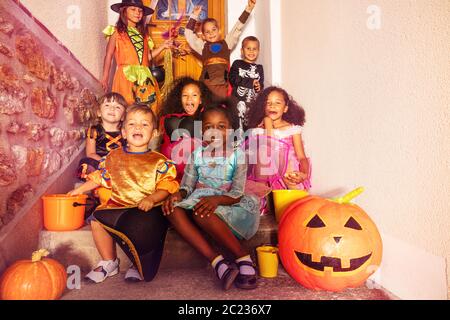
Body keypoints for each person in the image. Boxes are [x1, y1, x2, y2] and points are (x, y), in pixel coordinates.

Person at [68, 104, 179, 283]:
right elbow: (99, 177)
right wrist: (79, 190)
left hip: (144, 210)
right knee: (96, 220)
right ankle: (109, 262)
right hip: (117, 207)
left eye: (145, 124)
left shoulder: (159, 161)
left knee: (142, 229)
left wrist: (152, 198)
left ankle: (138, 263)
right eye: (132, 124)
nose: (138, 128)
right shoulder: (113, 157)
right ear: (124, 133)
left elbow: (167, 186)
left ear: (154, 133)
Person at [163, 102, 261, 290]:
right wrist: (178, 194)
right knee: (171, 210)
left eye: (221, 127)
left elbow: (237, 193)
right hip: (201, 200)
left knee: (202, 211)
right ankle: (219, 263)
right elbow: (187, 187)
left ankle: (242, 257)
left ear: (231, 130)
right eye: (208, 127)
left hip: (229, 204)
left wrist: (216, 200)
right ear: (202, 131)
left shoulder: (237, 156)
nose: (214, 132)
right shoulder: (196, 155)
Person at [101, 0, 173, 113]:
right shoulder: (116, 32)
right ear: (124, 11)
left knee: (148, 108)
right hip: (126, 76)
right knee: (126, 106)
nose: (138, 13)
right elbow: (109, 55)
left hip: (145, 77)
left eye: (140, 10)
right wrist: (105, 78)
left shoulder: (144, 35)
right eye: (133, 9)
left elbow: (146, 58)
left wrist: (163, 47)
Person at [184, 0, 257, 99]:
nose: (211, 33)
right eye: (207, 32)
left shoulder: (227, 43)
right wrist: (194, 16)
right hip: (206, 87)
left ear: (218, 31)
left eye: (213, 30)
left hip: (222, 87)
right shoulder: (202, 46)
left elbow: (238, 27)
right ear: (204, 36)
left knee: (221, 111)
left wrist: (248, 9)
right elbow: (188, 35)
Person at [246, 86, 311, 190]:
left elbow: (302, 157)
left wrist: (304, 174)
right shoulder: (257, 131)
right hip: (266, 175)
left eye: (278, 103)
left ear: (285, 108)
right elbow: (269, 144)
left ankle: (294, 194)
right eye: (268, 103)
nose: (272, 106)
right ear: (263, 108)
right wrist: (267, 121)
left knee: (285, 159)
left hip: (288, 172)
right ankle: (263, 198)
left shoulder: (292, 129)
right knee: (263, 151)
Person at [159, 77, 213, 182]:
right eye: (185, 95)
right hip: (174, 173)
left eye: (194, 95)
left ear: (201, 99)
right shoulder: (169, 119)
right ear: (180, 99)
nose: (189, 99)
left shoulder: (209, 119)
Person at [77, 92, 127, 182]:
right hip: (100, 162)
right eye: (107, 105)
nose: (112, 109)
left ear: (123, 116)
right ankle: (98, 181)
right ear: (99, 112)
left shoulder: (125, 132)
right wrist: (105, 162)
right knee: (86, 163)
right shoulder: (94, 130)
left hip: (119, 165)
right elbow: (90, 153)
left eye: (117, 107)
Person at [229, 36, 264, 130]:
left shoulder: (259, 68)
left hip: (252, 104)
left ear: (258, 51)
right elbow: (233, 79)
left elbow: (261, 84)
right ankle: (236, 144)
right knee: (236, 126)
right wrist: (251, 82)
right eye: (248, 48)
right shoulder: (237, 64)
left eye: (254, 49)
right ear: (242, 51)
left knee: (250, 128)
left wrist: (259, 86)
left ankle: (248, 144)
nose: (251, 51)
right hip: (237, 102)